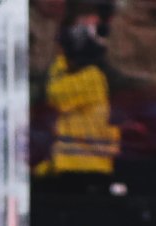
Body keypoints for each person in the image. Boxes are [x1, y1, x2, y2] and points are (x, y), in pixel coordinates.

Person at [38, 13, 118, 184]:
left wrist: (61, 58)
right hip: (70, 164)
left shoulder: (93, 77)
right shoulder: (78, 75)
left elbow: (55, 94)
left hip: (89, 167)